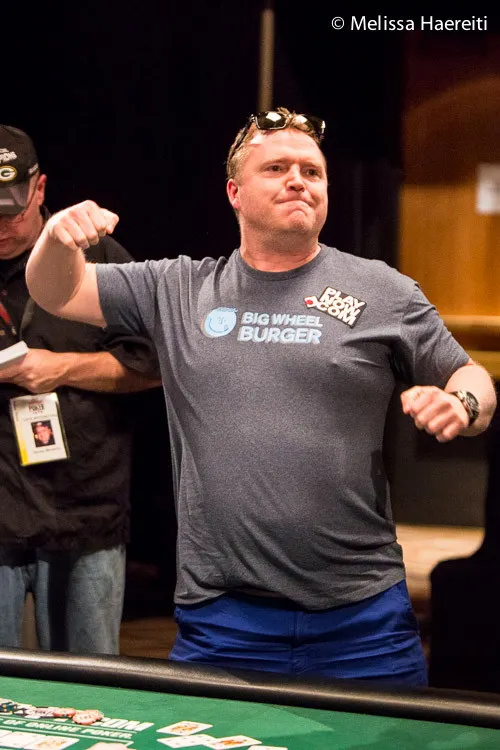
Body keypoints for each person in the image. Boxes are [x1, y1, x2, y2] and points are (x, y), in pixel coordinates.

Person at [25, 108, 497, 686]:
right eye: (276, 168)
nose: (298, 181)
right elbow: (58, 291)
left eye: (312, 171)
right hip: (223, 621)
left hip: (363, 620)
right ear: (234, 193)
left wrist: (462, 405)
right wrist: (56, 237)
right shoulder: (180, 288)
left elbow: (471, 377)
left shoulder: (383, 290)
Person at [0, 124, 161, 655]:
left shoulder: (97, 256)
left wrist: (61, 368)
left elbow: (153, 364)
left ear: (39, 189)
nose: (1, 226)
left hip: (84, 510)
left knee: (89, 685)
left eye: (10, 211)